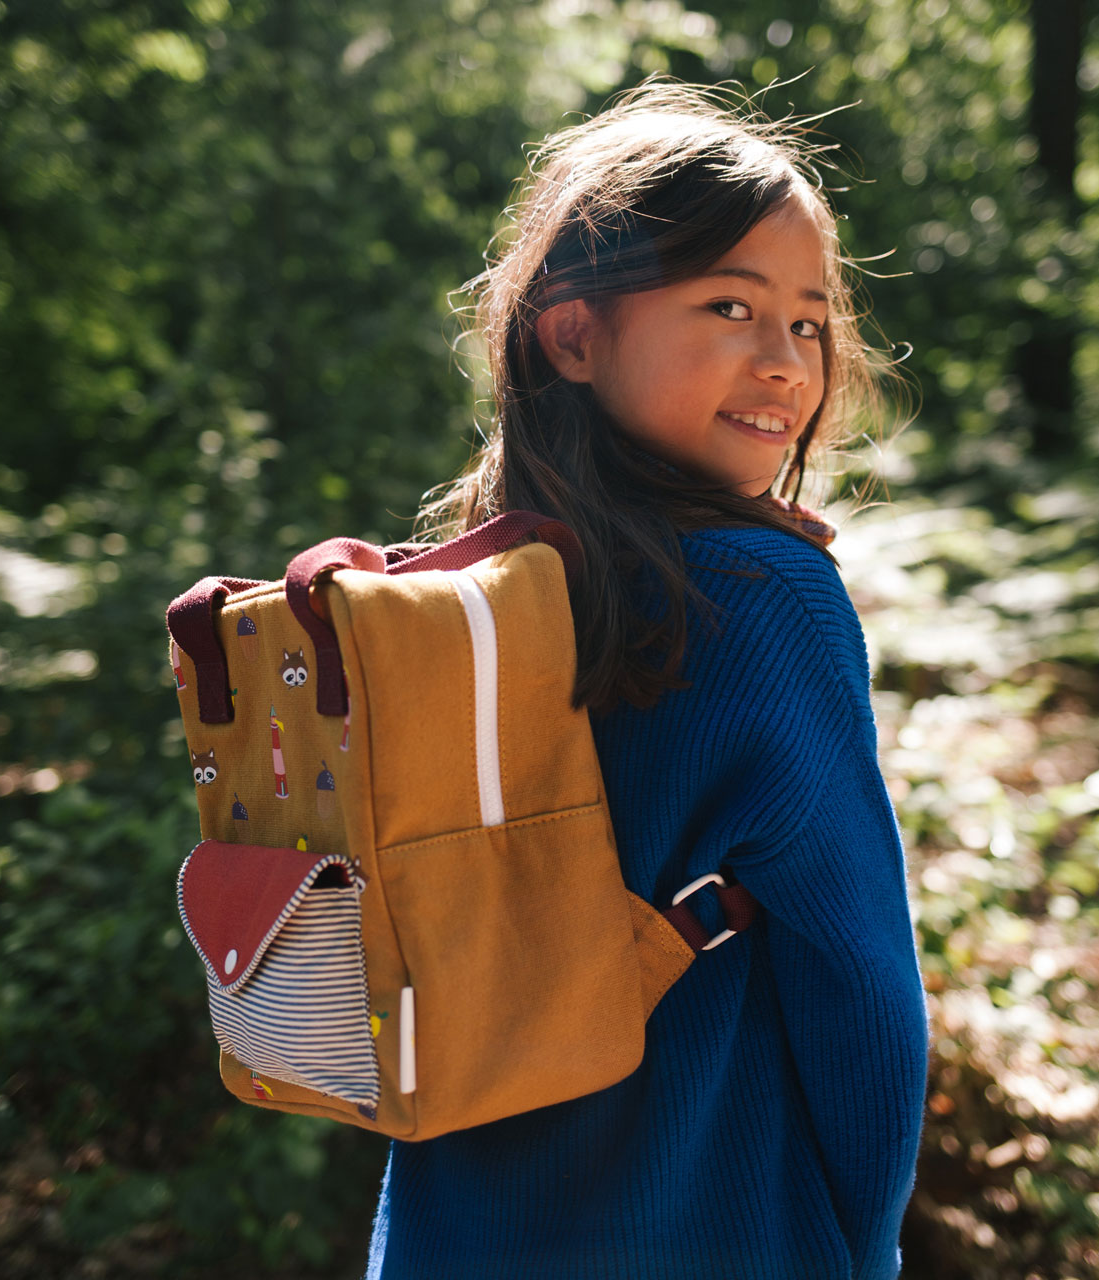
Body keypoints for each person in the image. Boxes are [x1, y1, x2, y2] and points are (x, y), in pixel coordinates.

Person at [366, 79, 930, 1280]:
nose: (784, 361)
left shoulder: (472, 594)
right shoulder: (765, 601)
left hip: (448, 1226)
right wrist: (867, 1244)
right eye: (728, 304)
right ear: (571, 333)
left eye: (809, 322)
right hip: (712, 1226)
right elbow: (860, 984)